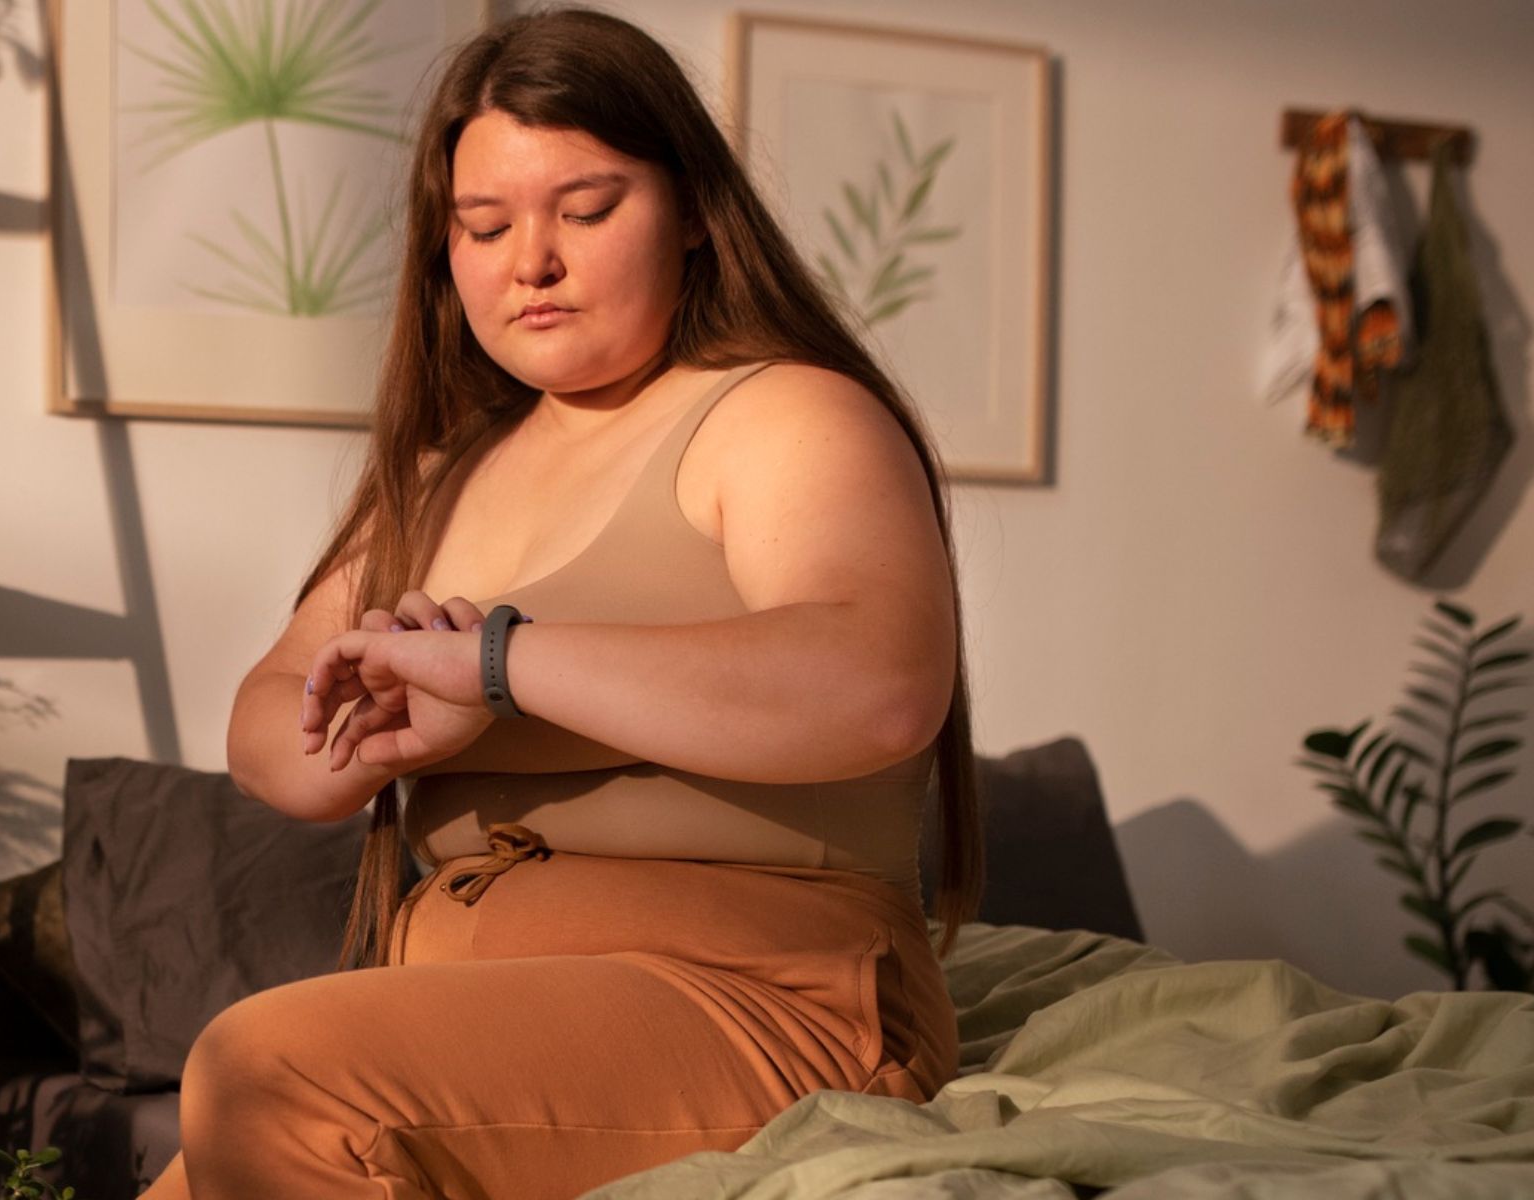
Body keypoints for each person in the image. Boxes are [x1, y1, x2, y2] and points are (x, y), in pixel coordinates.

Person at [139, 8, 983, 1198]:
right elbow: (268, 723)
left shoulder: (782, 414)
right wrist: (368, 740)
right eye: (483, 226)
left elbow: (876, 683)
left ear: (693, 211)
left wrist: (497, 668)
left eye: (586, 211)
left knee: (270, 1070)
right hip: (454, 998)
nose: (531, 261)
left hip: (766, 1000)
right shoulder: (441, 474)